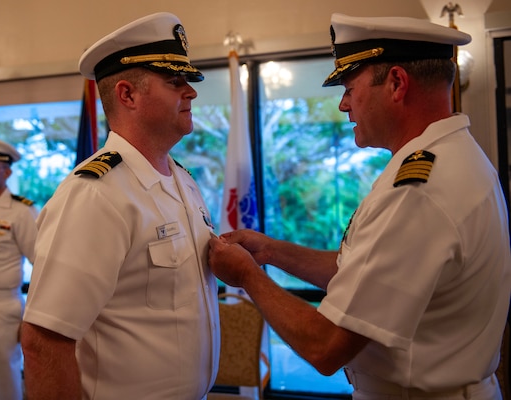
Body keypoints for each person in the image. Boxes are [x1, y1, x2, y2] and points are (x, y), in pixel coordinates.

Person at [208, 13, 511, 400]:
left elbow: (326, 346)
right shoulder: (450, 158)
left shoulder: (420, 191)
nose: (343, 105)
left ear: (397, 84)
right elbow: (365, 276)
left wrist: (249, 276)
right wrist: (271, 252)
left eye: (350, 87)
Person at [21, 12, 220, 400]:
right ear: (127, 95)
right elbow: (44, 341)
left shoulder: (183, 180)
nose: (191, 92)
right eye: (175, 82)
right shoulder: (96, 194)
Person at [0, 138, 38, 400]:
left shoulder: (21, 212)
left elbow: (41, 266)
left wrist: (31, 317)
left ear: (7, 172)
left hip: (1, 308)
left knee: (2, 377)